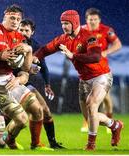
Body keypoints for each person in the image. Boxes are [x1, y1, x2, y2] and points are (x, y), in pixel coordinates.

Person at [34, 10, 123, 150]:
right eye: (62, 23)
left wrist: (73, 56)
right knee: (90, 117)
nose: (64, 26)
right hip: (84, 79)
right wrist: (34, 58)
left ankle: (91, 145)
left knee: (92, 104)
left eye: (67, 23)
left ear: (74, 23)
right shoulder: (63, 39)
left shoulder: (89, 37)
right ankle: (115, 125)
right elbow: (45, 50)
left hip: (101, 75)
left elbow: (95, 57)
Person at [0, 4, 52, 151]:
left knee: (37, 109)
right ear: (5, 16)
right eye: (12, 17)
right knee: (21, 121)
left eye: (18, 19)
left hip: (10, 81)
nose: (15, 21)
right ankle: (8, 141)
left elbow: (25, 73)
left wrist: (28, 51)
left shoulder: (19, 38)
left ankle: (34, 144)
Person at [18, 19, 65, 149]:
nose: (23, 32)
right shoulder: (11, 42)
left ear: (32, 32)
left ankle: (52, 143)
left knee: (45, 111)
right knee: (16, 116)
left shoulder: (36, 46)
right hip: (11, 83)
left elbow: (42, 66)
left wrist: (47, 85)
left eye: (26, 30)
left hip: (25, 83)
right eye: (21, 29)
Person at [80, 8, 122, 133]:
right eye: (90, 19)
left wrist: (105, 52)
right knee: (87, 98)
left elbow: (118, 44)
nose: (92, 22)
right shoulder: (81, 30)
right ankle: (87, 122)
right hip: (86, 70)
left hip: (102, 71)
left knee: (106, 98)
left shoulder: (106, 30)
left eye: (95, 19)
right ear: (86, 20)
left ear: (99, 20)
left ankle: (110, 121)